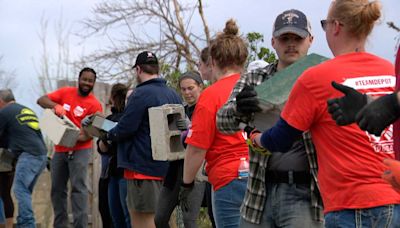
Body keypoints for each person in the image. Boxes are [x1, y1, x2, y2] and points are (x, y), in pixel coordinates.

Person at [248, 1, 400, 227]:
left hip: (351, 206)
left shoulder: (315, 78)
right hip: (395, 199)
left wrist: (254, 137)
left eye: (325, 24)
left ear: (336, 27)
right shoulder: (390, 71)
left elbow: (279, 139)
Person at [216, 9, 323, 227]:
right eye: (285, 38)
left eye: (297, 38)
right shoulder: (255, 78)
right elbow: (221, 122)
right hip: (258, 191)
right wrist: (239, 108)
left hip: (306, 193)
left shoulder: (321, 75)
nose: (291, 44)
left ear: (310, 40)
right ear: (273, 41)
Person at [181, 19, 249, 228]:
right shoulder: (255, 85)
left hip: (228, 177)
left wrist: (187, 182)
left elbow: (196, 149)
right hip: (259, 174)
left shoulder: (211, 95)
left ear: (213, 60)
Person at [102, 51, 182, 228]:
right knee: (164, 221)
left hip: (142, 169)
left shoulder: (140, 94)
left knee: (143, 221)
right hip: (168, 171)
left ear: (138, 69)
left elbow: (126, 127)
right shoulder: (173, 94)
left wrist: (107, 134)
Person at [37, 67, 103, 228]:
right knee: (57, 190)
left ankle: (80, 225)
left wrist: (80, 136)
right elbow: (41, 100)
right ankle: (60, 225)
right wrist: (55, 106)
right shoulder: (66, 92)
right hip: (60, 151)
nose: (87, 83)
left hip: (81, 150)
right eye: (84, 79)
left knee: (79, 189)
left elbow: (97, 130)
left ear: (93, 83)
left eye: (90, 81)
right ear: (79, 79)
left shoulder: (95, 105)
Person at [155, 71, 206, 228]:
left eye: (190, 88)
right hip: (175, 170)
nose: (186, 93)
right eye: (183, 89)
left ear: (200, 87)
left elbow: (205, 137)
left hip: (195, 171)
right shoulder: (180, 110)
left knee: (189, 220)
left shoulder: (206, 109)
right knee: (159, 218)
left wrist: (190, 127)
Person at [0, 89, 47, 227]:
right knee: (25, 192)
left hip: (28, 155)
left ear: (1, 101)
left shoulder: (4, 112)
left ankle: (27, 224)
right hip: (42, 155)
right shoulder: (27, 111)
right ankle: (23, 222)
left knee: (20, 190)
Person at [96, 83, 131, 228]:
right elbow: (102, 147)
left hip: (120, 172)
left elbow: (102, 148)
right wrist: (104, 138)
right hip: (114, 172)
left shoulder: (124, 118)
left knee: (118, 216)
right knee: (122, 215)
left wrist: (104, 138)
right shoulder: (110, 118)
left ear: (112, 98)